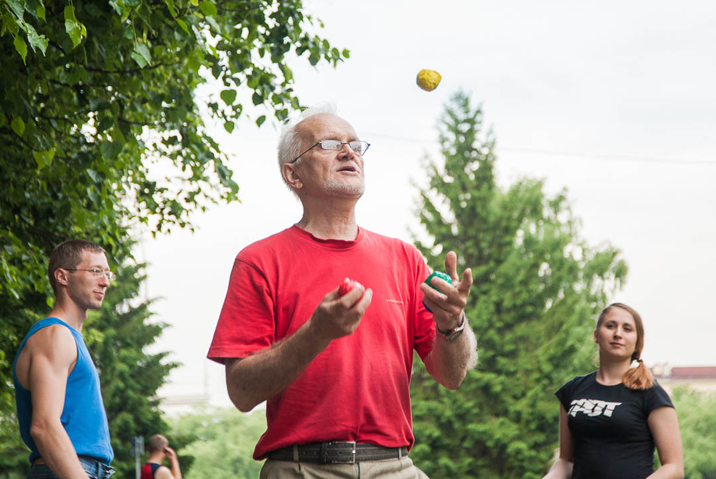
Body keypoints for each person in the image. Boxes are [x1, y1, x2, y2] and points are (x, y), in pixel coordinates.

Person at [207, 106, 478, 478]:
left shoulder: (405, 258)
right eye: (330, 144)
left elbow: (452, 376)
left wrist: (454, 324)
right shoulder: (259, 262)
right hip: (302, 469)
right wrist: (315, 334)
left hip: (396, 467)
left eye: (355, 145)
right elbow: (241, 392)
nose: (349, 152)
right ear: (293, 173)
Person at [541, 303, 684, 479]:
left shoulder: (650, 393)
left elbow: (674, 468)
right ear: (596, 335)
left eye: (627, 329)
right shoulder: (572, 390)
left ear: (637, 342)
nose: (618, 334)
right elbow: (566, 461)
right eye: (610, 326)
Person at [13, 239, 115, 479]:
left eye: (108, 272)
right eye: (95, 271)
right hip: (65, 470)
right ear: (62, 276)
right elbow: (44, 426)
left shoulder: (68, 337)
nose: (105, 281)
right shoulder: (54, 335)